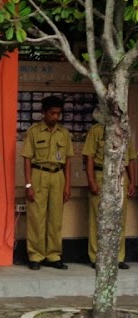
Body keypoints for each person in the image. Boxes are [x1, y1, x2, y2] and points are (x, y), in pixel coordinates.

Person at [21, 95, 74, 270]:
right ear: (44, 113)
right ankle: (35, 255)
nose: (56, 117)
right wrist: (28, 185)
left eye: (58, 114)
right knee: (37, 217)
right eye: (52, 113)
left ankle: (53, 255)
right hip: (39, 174)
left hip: (58, 176)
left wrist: (67, 185)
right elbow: (27, 159)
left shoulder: (64, 133)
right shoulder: (33, 131)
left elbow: (68, 160)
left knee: (56, 218)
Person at [82, 116, 136, 269]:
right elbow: (89, 157)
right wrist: (91, 181)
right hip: (101, 174)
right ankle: (96, 256)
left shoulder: (124, 131)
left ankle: (118, 257)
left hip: (120, 176)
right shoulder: (97, 130)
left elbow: (131, 158)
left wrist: (133, 182)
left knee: (119, 217)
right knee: (97, 217)